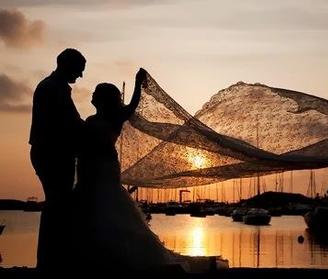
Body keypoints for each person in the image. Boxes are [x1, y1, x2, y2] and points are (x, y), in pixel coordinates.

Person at [73, 68, 228, 274]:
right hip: (88, 172)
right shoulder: (91, 121)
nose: (91, 95)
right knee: (93, 215)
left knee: (110, 214)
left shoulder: (115, 118)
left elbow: (132, 105)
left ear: (104, 99)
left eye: (96, 93)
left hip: (105, 171)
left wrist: (138, 83)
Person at [29, 48, 86, 272]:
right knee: (57, 206)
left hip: (47, 152)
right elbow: (71, 122)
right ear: (67, 65)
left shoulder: (50, 86)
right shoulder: (56, 88)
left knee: (56, 206)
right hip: (52, 154)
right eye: (79, 70)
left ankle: (50, 260)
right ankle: (50, 261)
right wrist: (94, 128)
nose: (80, 76)